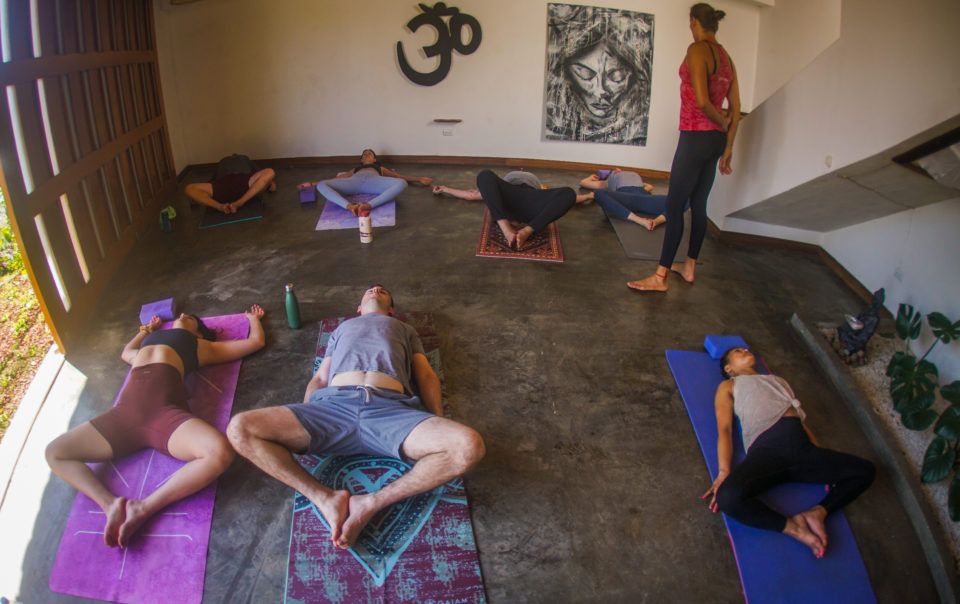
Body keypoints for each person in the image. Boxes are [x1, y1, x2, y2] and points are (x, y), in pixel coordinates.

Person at [227, 285, 485, 550]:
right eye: (370, 291)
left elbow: (426, 375)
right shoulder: (341, 330)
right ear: (359, 308)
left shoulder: (405, 330)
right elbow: (319, 377)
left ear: (392, 309)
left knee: (468, 446)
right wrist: (307, 415)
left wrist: (436, 420)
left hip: (390, 411)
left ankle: (371, 502)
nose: (375, 289)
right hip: (333, 408)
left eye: (383, 291)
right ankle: (326, 499)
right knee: (240, 428)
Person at [46, 306, 266, 548]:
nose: (183, 316)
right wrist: (145, 331)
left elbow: (255, 342)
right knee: (55, 452)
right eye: (183, 315)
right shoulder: (149, 343)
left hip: (165, 417)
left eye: (191, 319)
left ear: (200, 334)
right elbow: (126, 352)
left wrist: (252, 319)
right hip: (123, 416)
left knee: (220, 452)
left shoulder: (200, 347)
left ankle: (144, 507)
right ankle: (110, 505)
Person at [702, 347, 875, 558]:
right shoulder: (730, 385)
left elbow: (800, 422)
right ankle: (793, 528)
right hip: (768, 452)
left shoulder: (778, 380)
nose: (746, 350)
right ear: (729, 368)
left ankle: (817, 513)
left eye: (745, 348)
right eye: (738, 351)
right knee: (727, 498)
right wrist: (723, 471)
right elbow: (725, 429)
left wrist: (820, 456)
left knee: (866, 471)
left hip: (804, 452)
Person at [628, 3, 740, 291]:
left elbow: (703, 102)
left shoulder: (697, 50)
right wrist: (728, 146)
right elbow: (735, 109)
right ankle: (689, 267)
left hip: (695, 136)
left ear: (693, 22)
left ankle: (660, 277)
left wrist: (721, 123)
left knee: (674, 205)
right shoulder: (727, 57)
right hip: (714, 143)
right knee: (699, 204)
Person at [299, 149, 433, 216]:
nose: (367, 155)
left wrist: (419, 179)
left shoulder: (380, 168)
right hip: (354, 183)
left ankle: (369, 205)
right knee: (323, 184)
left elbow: (398, 176)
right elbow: (341, 177)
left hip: (375, 182)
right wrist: (312, 184)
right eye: (364, 154)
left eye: (370, 154)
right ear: (361, 160)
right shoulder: (355, 168)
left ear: (374, 159)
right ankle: (350, 207)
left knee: (402, 183)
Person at [471, 169, 578, 249]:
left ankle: (525, 231)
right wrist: (587, 196)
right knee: (484, 174)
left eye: (522, 171)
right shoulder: (495, 194)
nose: (521, 171)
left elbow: (469, 194)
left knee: (569, 193)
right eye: (520, 171)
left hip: (527, 200)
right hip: (515, 201)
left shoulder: (493, 194)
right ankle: (508, 229)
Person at [581, 170, 682, 230]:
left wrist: (644, 186)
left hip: (644, 198)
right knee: (599, 193)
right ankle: (639, 220)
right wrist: (590, 177)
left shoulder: (630, 174)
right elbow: (583, 183)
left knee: (683, 200)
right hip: (626, 197)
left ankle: (656, 221)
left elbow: (650, 187)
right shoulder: (607, 181)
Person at [185, 154, 276, 215]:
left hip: (245, 181)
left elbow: (262, 175)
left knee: (270, 171)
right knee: (189, 188)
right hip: (221, 185)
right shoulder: (223, 162)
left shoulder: (245, 158)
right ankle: (220, 206)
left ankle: (239, 203)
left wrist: (269, 182)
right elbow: (211, 181)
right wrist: (195, 196)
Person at [434, 170, 593, 204]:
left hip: (525, 180)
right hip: (527, 180)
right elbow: (471, 195)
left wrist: (445, 188)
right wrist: (444, 188)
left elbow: (471, 195)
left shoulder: (502, 193)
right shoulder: (501, 193)